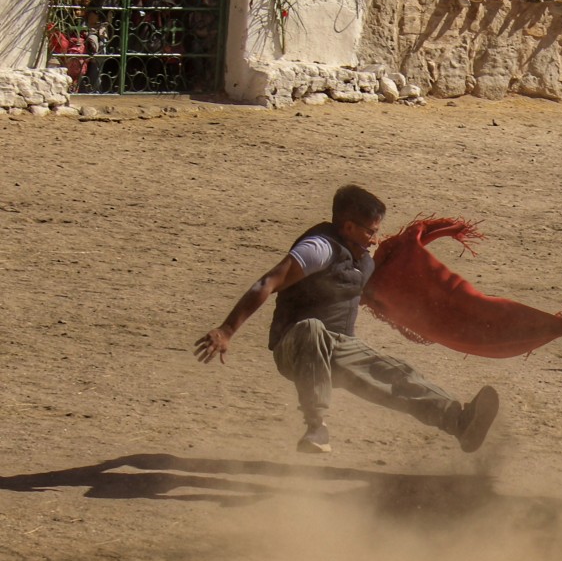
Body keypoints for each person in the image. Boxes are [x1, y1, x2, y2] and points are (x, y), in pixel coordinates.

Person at [195, 185, 500, 455]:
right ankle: (316, 426)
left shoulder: (363, 259)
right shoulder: (318, 248)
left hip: (340, 347)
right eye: (369, 231)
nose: (374, 238)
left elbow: (354, 290)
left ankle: (460, 422)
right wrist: (227, 329)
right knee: (311, 328)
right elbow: (268, 283)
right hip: (294, 347)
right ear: (349, 226)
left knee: (397, 375)